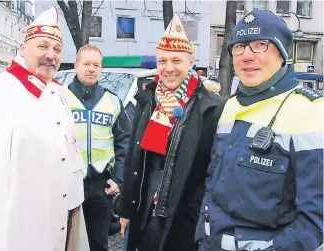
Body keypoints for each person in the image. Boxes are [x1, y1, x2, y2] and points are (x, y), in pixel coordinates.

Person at [196, 9, 323, 251]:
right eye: (239, 46)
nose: (246, 56)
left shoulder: (311, 112)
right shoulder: (231, 106)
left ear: (282, 54)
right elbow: (214, 184)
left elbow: (315, 226)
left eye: (260, 45)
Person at [0, 7, 89, 251]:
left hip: (61, 219)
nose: (51, 54)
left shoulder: (58, 92)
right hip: (16, 230)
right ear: (23, 48)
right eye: (42, 46)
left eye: (57, 49)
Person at [119, 13, 225, 251]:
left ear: (191, 61)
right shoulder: (147, 101)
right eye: (162, 61)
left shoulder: (212, 108)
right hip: (144, 216)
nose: (168, 68)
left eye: (176, 61)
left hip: (184, 222)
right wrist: (126, 209)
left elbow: (213, 174)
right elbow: (133, 159)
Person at [66, 44, 130, 251]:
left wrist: (118, 179)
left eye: (96, 65)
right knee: (67, 241)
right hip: (67, 182)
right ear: (76, 65)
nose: (91, 69)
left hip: (101, 184)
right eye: (86, 64)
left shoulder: (112, 101)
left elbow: (125, 141)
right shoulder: (61, 99)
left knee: (98, 243)